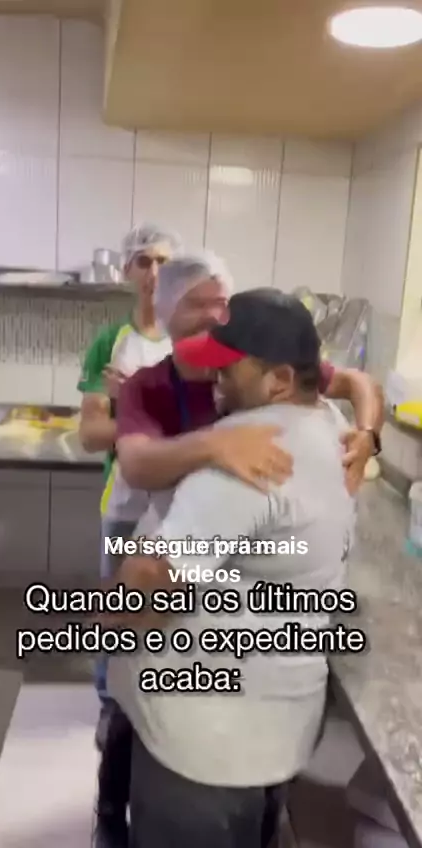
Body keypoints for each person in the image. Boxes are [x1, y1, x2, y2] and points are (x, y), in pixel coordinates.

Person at [96, 254, 384, 846]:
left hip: (200, 748)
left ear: (278, 379)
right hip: (275, 732)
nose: (216, 379)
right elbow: (136, 461)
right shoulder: (330, 426)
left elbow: (149, 587)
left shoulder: (248, 458)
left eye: (228, 369)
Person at [77, 222, 182, 745]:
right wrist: (149, 414)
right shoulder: (109, 344)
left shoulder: (191, 344)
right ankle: (109, 704)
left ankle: (155, 705)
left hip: (180, 508)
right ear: (126, 271)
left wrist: (137, 403)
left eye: (164, 261)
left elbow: (206, 426)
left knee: (168, 616)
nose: (154, 272)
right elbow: (90, 435)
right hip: (123, 504)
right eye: (143, 261)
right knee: (115, 609)